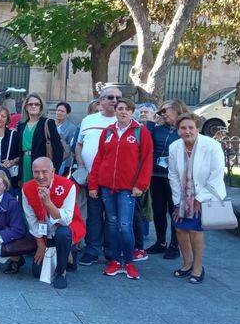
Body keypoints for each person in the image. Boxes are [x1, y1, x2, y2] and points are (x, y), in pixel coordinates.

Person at [88, 98, 153, 279]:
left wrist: (141, 185)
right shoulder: (108, 132)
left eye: (127, 109)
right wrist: (93, 184)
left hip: (128, 188)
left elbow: (147, 160)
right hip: (107, 187)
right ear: (115, 111)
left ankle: (129, 262)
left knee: (125, 225)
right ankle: (115, 260)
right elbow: (99, 158)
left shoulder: (141, 132)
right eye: (120, 109)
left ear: (132, 112)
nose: (123, 111)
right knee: (111, 223)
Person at [168, 113, 226, 284]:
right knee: (179, 229)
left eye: (190, 127)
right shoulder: (174, 147)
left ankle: (198, 267)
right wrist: (178, 202)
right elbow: (173, 175)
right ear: (178, 130)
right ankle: (186, 263)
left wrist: (199, 200)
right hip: (183, 194)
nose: (187, 131)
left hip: (204, 194)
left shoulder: (212, 145)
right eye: (183, 128)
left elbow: (216, 176)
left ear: (197, 128)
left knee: (194, 230)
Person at [75, 86, 122, 266]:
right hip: (92, 178)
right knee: (94, 215)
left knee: (112, 217)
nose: (114, 101)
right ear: (101, 100)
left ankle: (111, 251)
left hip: (115, 180)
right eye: (110, 97)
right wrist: (80, 166)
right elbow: (79, 145)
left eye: (118, 97)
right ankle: (92, 250)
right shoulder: (88, 120)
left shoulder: (126, 121)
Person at [23, 157, 85, 289]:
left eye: (45, 172)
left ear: (53, 171)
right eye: (36, 172)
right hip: (44, 233)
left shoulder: (68, 186)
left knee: (63, 233)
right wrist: (40, 245)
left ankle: (61, 272)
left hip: (65, 229)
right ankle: (64, 253)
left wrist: (48, 203)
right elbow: (31, 219)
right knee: (37, 272)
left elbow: (66, 220)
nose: (40, 176)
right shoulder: (27, 188)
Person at [145, 99, 187, 259]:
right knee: (158, 210)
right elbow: (145, 143)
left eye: (165, 111)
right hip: (156, 175)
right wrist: (151, 123)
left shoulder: (184, 128)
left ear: (177, 110)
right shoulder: (158, 129)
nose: (163, 114)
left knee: (175, 211)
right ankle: (160, 242)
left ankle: (175, 245)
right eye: (161, 111)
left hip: (175, 177)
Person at [17, 93, 63, 183]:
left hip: (41, 166)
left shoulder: (48, 123)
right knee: (26, 191)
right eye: (30, 104)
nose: (33, 106)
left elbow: (58, 150)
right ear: (26, 107)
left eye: (37, 104)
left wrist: (54, 171)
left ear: (41, 107)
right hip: (24, 164)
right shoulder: (21, 126)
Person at [54, 102, 78, 175]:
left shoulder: (72, 127)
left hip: (64, 161)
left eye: (62, 111)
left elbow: (71, 146)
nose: (59, 113)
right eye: (58, 110)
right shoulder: (50, 124)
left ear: (67, 114)